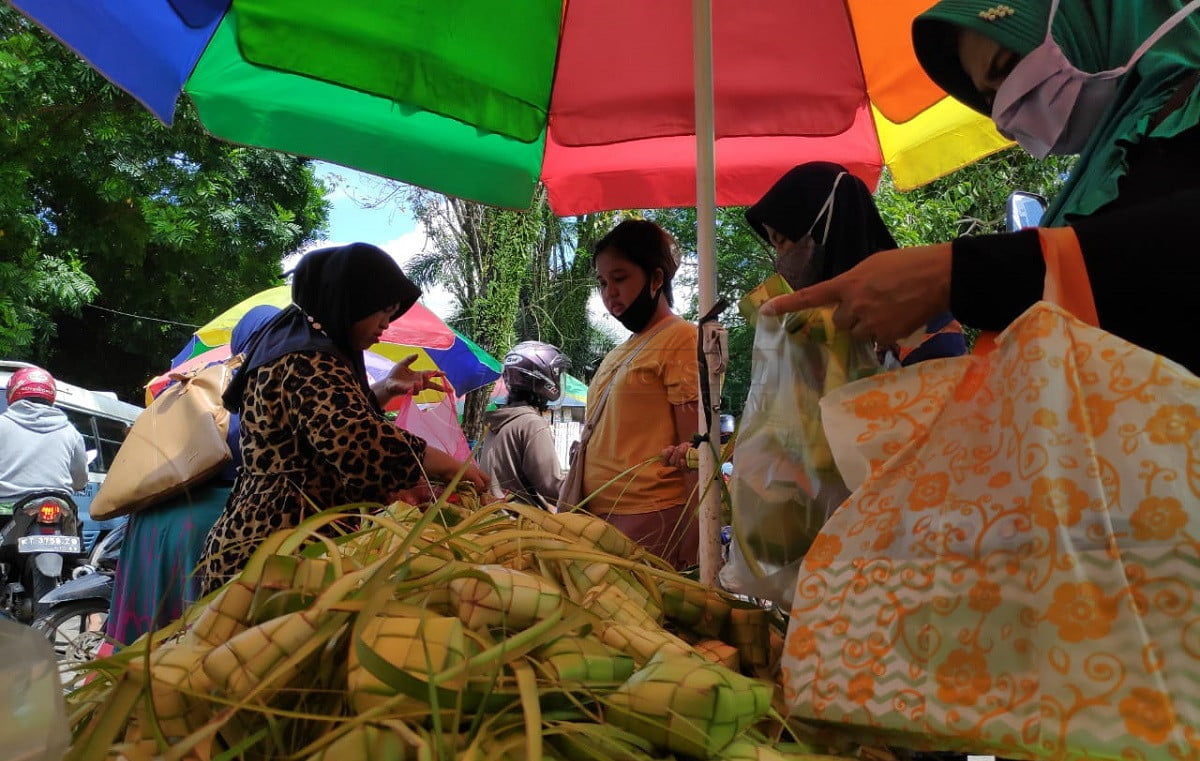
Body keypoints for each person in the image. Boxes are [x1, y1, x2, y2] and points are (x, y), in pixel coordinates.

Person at [764, 0, 1200, 376]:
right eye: (991, 100)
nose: (1006, 119)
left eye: (1007, 69)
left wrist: (952, 273)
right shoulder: (1103, 169)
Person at [198, 243, 488, 595]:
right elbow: (356, 441)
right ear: (351, 300)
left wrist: (385, 389)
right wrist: (450, 465)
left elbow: (324, 424)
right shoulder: (306, 358)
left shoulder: (302, 345)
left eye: (392, 313)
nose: (386, 323)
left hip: (281, 543)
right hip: (278, 552)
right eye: (381, 310)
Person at [106, 305, 280, 645]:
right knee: (190, 650)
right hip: (202, 527)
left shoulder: (201, 378)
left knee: (143, 649)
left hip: (149, 524)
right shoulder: (266, 380)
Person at [566, 219, 701, 569]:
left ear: (656, 279)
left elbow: (694, 451)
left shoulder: (682, 338)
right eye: (602, 282)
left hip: (649, 520)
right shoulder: (619, 349)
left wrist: (692, 535)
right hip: (597, 516)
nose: (609, 292)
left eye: (620, 278)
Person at [745, 161, 967, 365]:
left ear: (824, 228)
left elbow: (946, 389)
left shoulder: (907, 298)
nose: (780, 259)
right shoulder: (819, 321)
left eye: (782, 241)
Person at [474, 341, 569, 509]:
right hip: (523, 526)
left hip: (492, 522)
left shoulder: (498, 422)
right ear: (546, 378)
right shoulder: (532, 424)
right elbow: (552, 489)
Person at [0, 367, 88, 504]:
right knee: (75, 522)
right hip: (58, 506)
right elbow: (80, 480)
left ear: (12, 392)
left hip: (7, 507)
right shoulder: (71, 432)